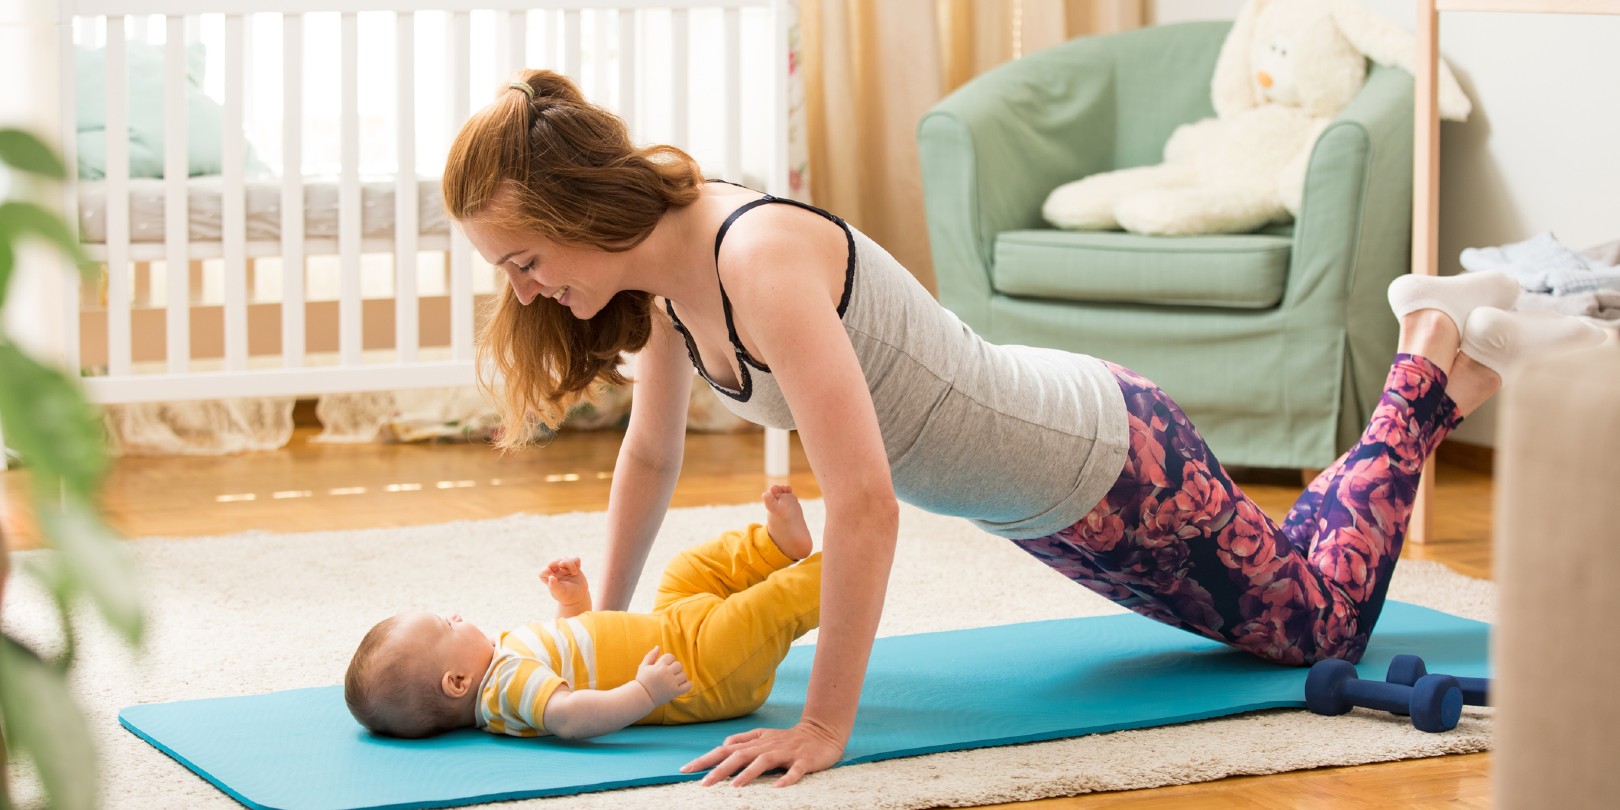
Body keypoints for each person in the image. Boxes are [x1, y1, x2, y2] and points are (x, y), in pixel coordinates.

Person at [440, 69, 1610, 785]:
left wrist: (827, 724)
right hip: (1043, 500)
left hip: (1102, 461)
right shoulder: (667, 288)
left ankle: (1424, 347)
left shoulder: (756, 256)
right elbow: (651, 453)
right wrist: (602, 615)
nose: (528, 289)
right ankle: (1467, 361)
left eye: (525, 261)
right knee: (1296, 581)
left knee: (1318, 626)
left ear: (578, 210)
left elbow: (863, 501)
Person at [344, 485, 820, 740]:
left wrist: (571, 603)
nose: (455, 614)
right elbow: (570, 715)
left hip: (669, 629)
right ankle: (838, 572)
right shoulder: (505, 690)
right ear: (457, 682)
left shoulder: (503, 664)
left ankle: (778, 545)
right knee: (766, 607)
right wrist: (643, 692)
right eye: (446, 624)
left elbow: (576, 653)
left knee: (686, 569)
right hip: (700, 668)